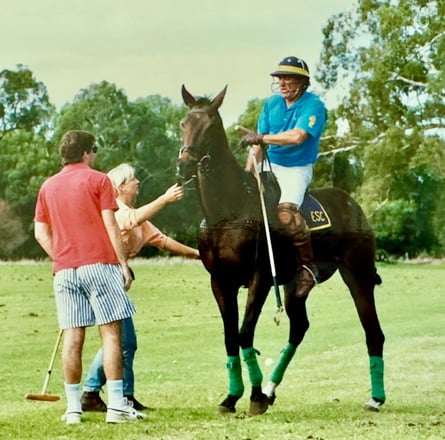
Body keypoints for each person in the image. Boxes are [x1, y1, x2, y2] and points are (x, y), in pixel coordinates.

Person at [34, 131, 146, 424]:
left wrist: (59, 255)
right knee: (111, 334)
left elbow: (40, 231)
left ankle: (73, 409)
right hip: (99, 264)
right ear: (85, 153)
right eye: (93, 149)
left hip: (65, 269)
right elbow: (110, 222)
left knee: (73, 336)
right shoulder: (98, 180)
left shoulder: (47, 186)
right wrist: (122, 263)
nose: (94, 154)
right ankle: (117, 407)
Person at [81, 163, 200, 412]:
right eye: (133, 180)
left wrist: (199, 254)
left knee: (120, 340)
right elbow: (132, 219)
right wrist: (164, 199)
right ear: (121, 187)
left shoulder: (135, 215)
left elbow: (162, 241)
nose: (137, 183)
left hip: (114, 278)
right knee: (124, 341)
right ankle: (106, 394)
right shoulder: (116, 211)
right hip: (103, 276)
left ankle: (101, 392)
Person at [242, 56, 327, 298]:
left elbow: (297, 136)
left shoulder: (314, 106)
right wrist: (249, 174)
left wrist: (261, 139)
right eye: (279, 78)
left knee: (286, 214)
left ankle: (309, 268)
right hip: (270, 164)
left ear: (301, 82)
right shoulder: (271, 104)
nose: (281, 83)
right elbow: (257, 147)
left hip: (296, 167)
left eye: (287, 78)